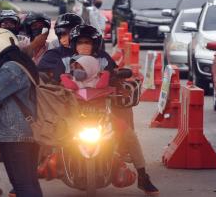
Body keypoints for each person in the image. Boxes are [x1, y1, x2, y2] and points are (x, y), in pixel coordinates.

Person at [47, 25, 159, 195]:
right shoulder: (63, 60)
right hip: (70, 114)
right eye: (80, 42)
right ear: (74, 44)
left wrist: (118, 80)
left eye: (88, 42)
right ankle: (28, 177)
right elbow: (54, 80)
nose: (84, 45)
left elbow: (114, 75)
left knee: (129, 135)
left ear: (95, 44)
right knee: (42, 133)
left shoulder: (104, 59)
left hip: (100, 115)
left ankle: (143, 177)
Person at [0, 28, 43, 197]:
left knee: (22, 184)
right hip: (27, 131)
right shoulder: (23, 62)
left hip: (15, 134)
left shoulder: (10, 68)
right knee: (29, 182)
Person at [37, 13, 83, 81]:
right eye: (61, 34)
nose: (63, 39)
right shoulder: (52, 55)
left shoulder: (92, 52)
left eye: (68, 33)